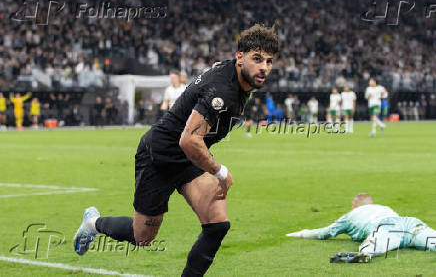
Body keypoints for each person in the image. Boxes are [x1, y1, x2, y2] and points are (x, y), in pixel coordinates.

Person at [73, 24, 279, 276]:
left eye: (269, 61)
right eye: (257, 59)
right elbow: (189, 140)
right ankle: (93, 224)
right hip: (159, 156)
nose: (263, 67)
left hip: (190, 159)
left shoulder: (235, 78)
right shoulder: (224, 92)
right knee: (143, 237)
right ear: (239, 57)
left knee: (217, 225)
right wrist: (221, 172)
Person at [286, 193, 436, 260]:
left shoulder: (349, 216)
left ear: (354, 205)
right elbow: (396, 222)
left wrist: (302, 233)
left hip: (385, 228)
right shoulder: (383, 207)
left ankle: (365, 254)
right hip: (410, 223)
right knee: (430, 240)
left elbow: (324, 233)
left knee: (372, 246)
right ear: (371, 203)